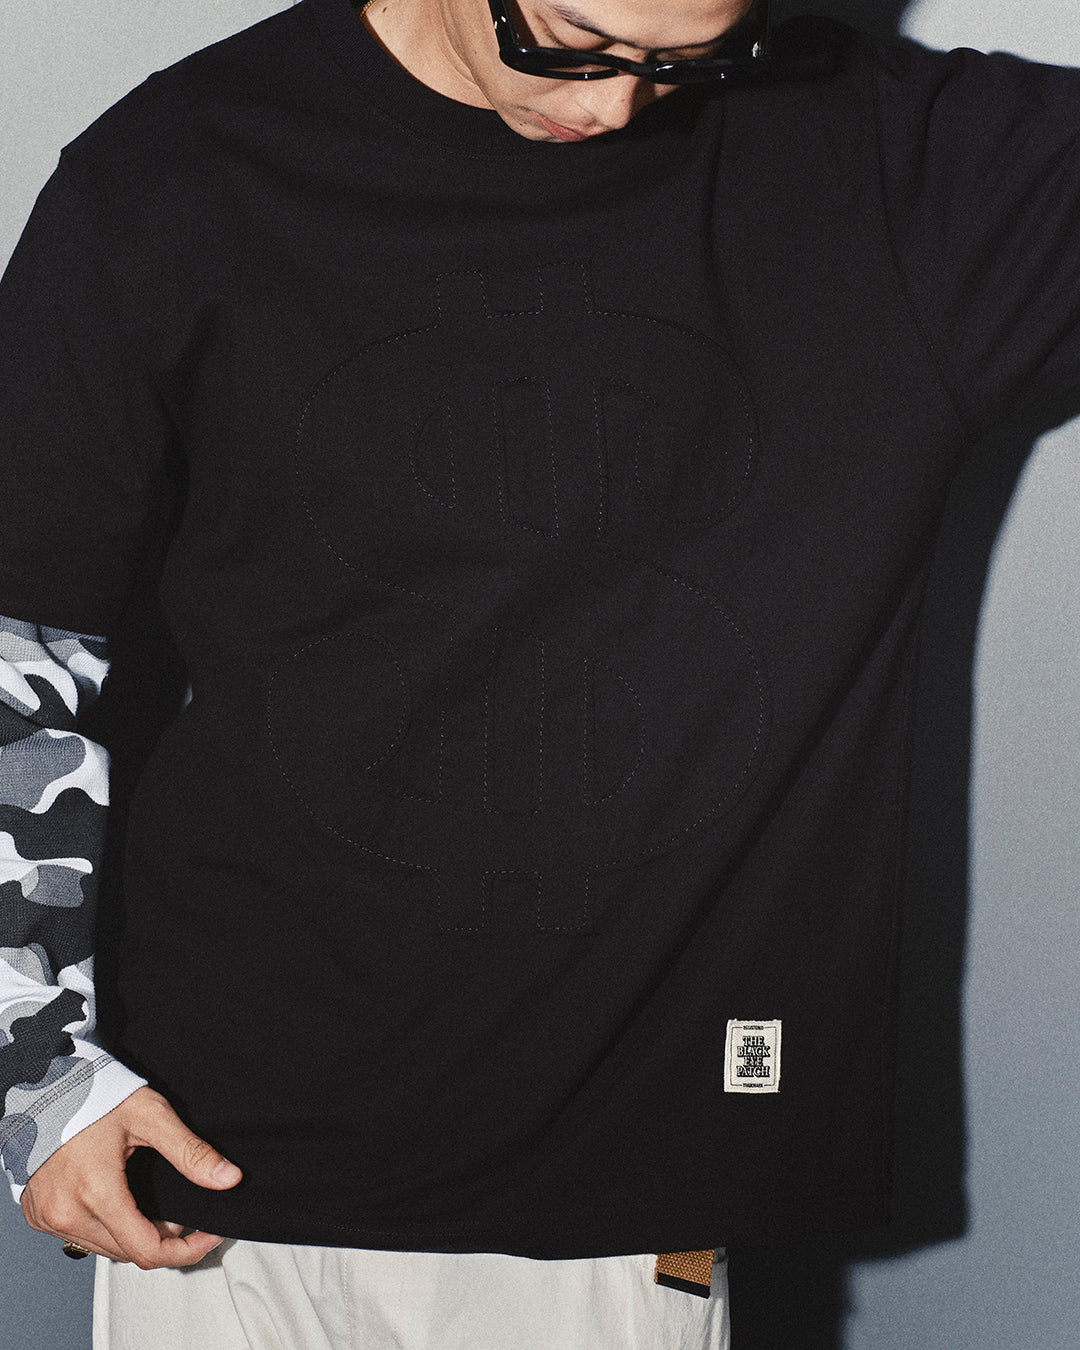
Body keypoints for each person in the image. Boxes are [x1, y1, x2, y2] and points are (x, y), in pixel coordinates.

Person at [1, 0, 1079, 1344]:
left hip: (602, 1196)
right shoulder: (179, 169)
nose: (613, 108)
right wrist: (33, 1065)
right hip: (206, 1160)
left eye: (690, 59)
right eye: (571, 36)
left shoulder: (894, 167)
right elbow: (21, 629)